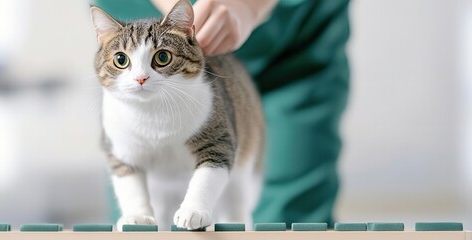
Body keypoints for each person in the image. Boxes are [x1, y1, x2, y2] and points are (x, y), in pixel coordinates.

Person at [93, 0, 350, 227]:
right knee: (140, 223)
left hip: (295, 44)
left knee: (292, 215)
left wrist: (249, 5)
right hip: (147, 19)